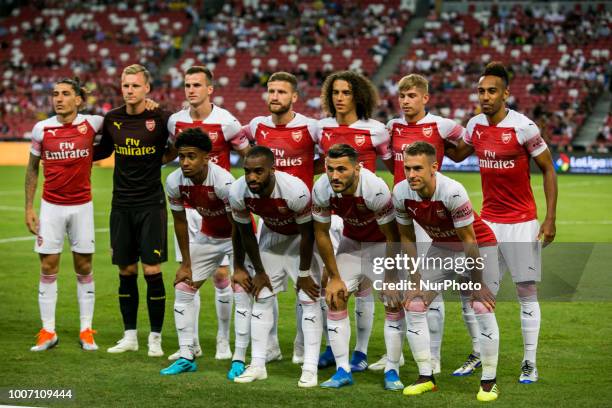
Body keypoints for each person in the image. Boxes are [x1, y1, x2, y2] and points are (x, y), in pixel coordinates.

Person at [446, 61, 558, 383]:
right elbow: (456, 154)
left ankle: (529, 362)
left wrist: (549, 219)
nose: (485, 96)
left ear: (506, 93)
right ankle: (479, 353)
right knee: (473, 290)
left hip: (522, 222)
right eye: (481, 91)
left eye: (492, 91)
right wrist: (437, 132)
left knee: (525, 291)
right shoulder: (475, 125)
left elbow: (548, 169)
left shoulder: (524, 127)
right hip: (488, 222)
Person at [394, 141, 500, 402]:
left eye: (417, 168)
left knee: (481, 307)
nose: (411, 174)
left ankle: (489, 381)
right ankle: (425, 377)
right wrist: (415, 280)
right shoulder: (400, 192)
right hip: (442, 247)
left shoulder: (452, 191)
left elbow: (469, 240)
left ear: (434, 167)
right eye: (407, 168)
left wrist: (477, 285)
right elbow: (406, 238)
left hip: (479, 245)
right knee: (414, 303)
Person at [241, 71, 333, 366]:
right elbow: (235, 139)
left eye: (282, 92)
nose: (275, 97)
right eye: (271, 91)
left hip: (304, 223)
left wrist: (309, 168)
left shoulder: (311, 127)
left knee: (308, 291)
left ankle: (303, 348)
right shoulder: (257, 126)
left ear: (294, 97)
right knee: (263, 289)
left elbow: (329, 157)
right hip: (271, 224)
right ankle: (269, 348)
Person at [381, 73, 467, 375]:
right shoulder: (392, 127)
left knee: (431, 288)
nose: (405, 101)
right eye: (402, 96)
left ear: (425, 98)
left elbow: (466, 143)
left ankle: (434, 354)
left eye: (412, 96)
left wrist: (452, 155)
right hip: (402, 209)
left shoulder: (443, 126)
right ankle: (397, 355)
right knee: (401, 283)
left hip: (430, 214)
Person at [167, 65, 249, 361]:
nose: (191, 90)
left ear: (210, 89)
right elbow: (170, 151)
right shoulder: (175, 121)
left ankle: (223, 340)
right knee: (187, 274)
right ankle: (190, 344)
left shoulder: (226, 121)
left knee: (222, 274)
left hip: (221, 206)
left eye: (197, 85)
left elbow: (248, 152)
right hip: (190, 206)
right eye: (187, 85)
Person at [94, 64, 175, 357]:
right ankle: (130, 336)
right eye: (126, 85)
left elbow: (180, 143)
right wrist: (73, 154)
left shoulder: (161, 117)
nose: (129, 90)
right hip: (121, 206)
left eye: (135, 85)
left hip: (151, 205)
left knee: (152, 270)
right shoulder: (112, 119)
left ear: (146, 89)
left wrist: (163, 159)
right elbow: (102, 151)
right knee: (125, 270)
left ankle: (155, 337)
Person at [317, 70, 393, 372]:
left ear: (357, 96)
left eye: (346, 92)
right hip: (336, 215)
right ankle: (333, 349)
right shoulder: (319, 128)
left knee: (365, 288)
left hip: (370, 213)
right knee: (331, 283)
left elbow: (393, 165)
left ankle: (360, 351)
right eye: (335, 92)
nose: (339, 98)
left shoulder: (376, 130)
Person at [229, 146, 323, 387]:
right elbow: (244, 233)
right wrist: (258, 271)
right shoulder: (238, 191)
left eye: (258, 172)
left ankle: (310, 367)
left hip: (300, 240)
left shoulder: (295, 190)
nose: (252, 177)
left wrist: (303, 273)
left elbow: (308, 232)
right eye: (248, 171)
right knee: (262, 296)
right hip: (271, 236)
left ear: (273, 170)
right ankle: (258, 364)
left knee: (308, 298)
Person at [312, 144, 404, 390]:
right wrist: (333, 275)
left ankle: (392, 370)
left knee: (393, 302)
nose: (334, 175)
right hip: (352, 244)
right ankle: (343, 370)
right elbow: (320, 233)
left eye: (342, 169)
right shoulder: (322, 187)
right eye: (330, 169)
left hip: (382, 246)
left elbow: (393, 236)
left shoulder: (375, 189)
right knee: (334, 296)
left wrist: (392, 278)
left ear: (357, 168)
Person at [25, 77, 102, 352]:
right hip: (51, 207)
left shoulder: (93, 124)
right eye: (55, 94)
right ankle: (48, 331)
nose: (58, 98)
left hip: (82, 206)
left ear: (78, 99)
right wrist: (29, 207)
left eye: (65, 94)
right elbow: (33, 168)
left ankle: (86, 330)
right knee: (47, 267)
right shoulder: (41, 128)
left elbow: (124, 121)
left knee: (84, 267)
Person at [160, 128, 236, 375]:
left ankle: (243, 355)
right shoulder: (174, 181)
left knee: (247, 290)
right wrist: (186, 262)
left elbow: (240, 224)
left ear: (207, 157)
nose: (185, 162)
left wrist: (244, 265)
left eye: (191, 156)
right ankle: (186, 354)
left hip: (237, 237)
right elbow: (180, 221)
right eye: (181, 156)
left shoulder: (224, 182)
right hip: (209, 236)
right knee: (183, 287)